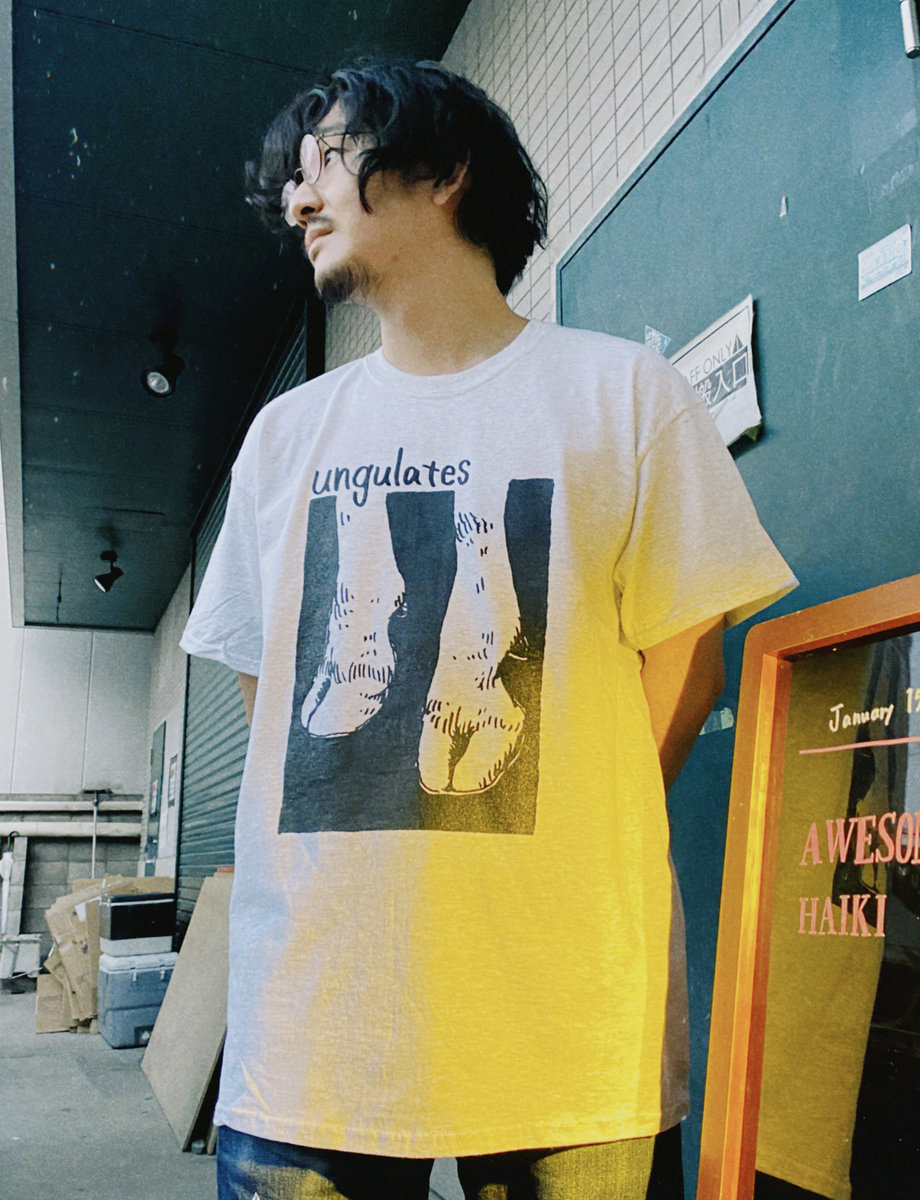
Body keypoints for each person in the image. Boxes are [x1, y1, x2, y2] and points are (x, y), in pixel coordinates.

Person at [181, 59, 796, 1200]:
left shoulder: (628, 397)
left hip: (567, 1020)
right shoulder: (284, 437)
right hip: (317, 1023)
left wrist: (575, 830)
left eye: (330, 161)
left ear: (445, 174)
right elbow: (270, 699)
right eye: (295, 179)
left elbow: (686, 668)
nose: (298, 199)